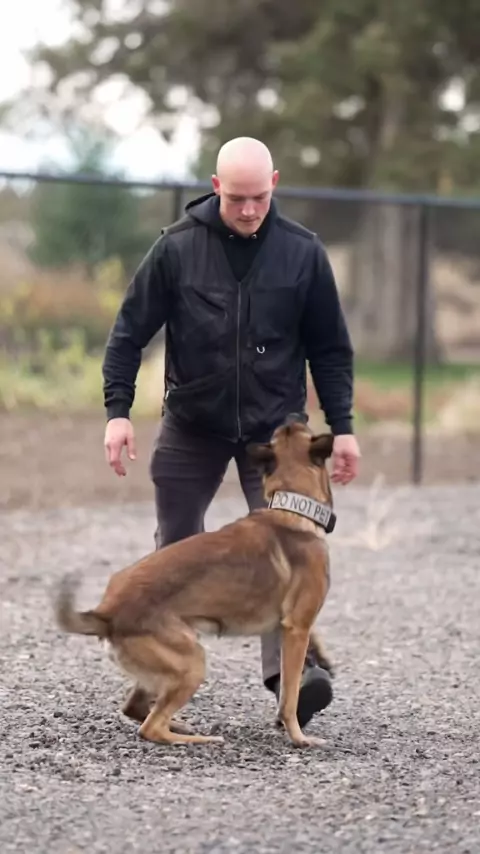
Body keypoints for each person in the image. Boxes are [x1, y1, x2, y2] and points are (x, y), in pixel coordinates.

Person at [102, 136, 360, 729]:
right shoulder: (176, 248)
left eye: (259, 198)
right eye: (237, 198)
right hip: (193, 422)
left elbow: (330, 349)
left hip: (275, 434)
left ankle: (290, 678)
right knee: (177, 546)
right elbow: (128, 334)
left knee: (290, 548)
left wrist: (343, 428)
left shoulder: (303, 253)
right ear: (216, 187)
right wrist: (118, 411)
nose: (248, 210)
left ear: (275, 184)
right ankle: (158, 671)